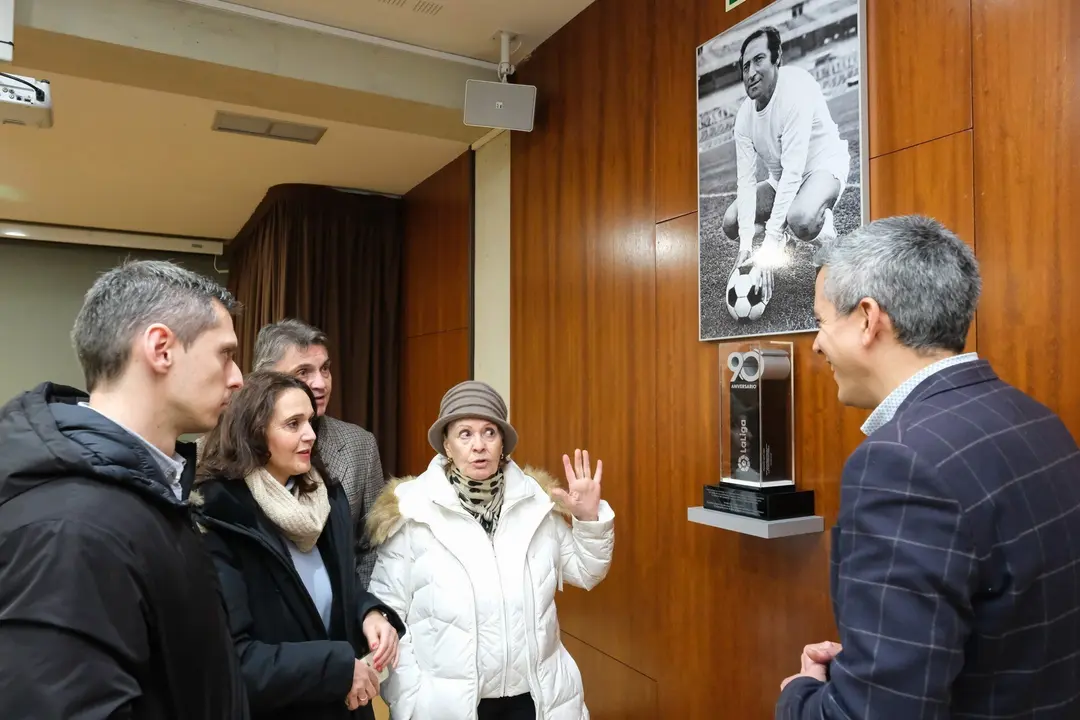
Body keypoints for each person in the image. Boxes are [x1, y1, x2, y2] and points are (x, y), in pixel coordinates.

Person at [777, 216, 1080, 718]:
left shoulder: (900, 463)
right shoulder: (1036, 419)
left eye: (822, 320)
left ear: (868, 318)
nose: (816, 343)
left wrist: (800, 694)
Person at [0, 260, 248, 718]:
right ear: (161, 348)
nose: (237, 377)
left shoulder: (146, 492)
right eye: (225, 354)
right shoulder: (70, 528)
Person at [367, 380, 614, 720]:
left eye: (489, 433)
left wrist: (588, 519)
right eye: (464, 434)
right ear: (446, 445)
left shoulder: (537, 505)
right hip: (451, 708)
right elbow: (388, 613)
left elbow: (587, 572)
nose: (478, 446)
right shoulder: (413, 513)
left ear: (503, 445)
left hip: (538, 700)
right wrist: (411, 701)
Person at [195, 370, 405, 720]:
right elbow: (236, 660)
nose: (310, 434)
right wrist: (338, 669)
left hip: (345, 705)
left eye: (309, 420)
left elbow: (341, 588)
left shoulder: (326, 497)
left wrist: (368, 612)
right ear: (254, 433)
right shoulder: (220, 517)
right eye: (293, 424)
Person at [252, 319, 386, 587]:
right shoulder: (232, 449)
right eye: (303, 371)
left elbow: (372, 547)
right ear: (265, 378)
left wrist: (360, 610)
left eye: (325, 369)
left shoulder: (359, 445)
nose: (320, 383)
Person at [723, 25, 850, 302]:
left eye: (759, 60)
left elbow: (794, 172)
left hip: (822, 168)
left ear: (776, 57)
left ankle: (826, 234)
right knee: (731, 222)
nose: (751, 72)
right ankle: (785, 238)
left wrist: (768, 247)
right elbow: (745, 183)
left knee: (800, 219)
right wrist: (746, 247)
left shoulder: (796, 89)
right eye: (745, 66)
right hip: (781, 182)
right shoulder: (744, 118)